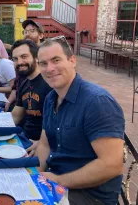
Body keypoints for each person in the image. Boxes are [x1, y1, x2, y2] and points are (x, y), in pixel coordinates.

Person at [36, 37, 124, 205]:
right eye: (43, 63)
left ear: (72, 60)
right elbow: (45, 144)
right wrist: (36, 177)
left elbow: (112, 165)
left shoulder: (96, 102)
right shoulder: (50, 99)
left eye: (56, 60)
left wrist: (59, 181)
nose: (50, 69)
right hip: (57, 180)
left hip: (91, 195)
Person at [10, 40, 52, 156]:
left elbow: (59, 126)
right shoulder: (25, 82)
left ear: (36, 58)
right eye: (15, 59)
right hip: (24, 138)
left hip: (40, 144)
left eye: (24, 57)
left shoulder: (50, 83)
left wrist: (42, 144)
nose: (19, 62)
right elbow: (15, 116)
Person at [5, 20, 45, 112]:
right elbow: (16, 86)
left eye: (32, 31)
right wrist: (8, 102)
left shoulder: (46, 59)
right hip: (20, 105)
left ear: (41, 35)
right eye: (25, 32)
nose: (27, 34)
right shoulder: (20, 62)